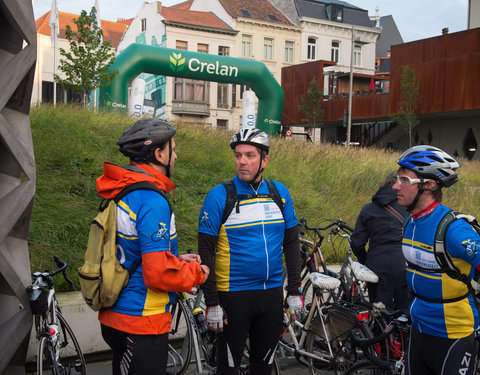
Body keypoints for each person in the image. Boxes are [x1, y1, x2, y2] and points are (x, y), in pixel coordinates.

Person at [96, 118, 209, 375]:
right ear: (159, 154)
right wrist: (198, 273)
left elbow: (132, 248)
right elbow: (157, 274)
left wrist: (174, 258)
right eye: (172, 149)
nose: (176, 156)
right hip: (142, 322)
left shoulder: (123, 190)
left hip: (116, 316)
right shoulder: (152, 201)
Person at [197, 128, 302, 375]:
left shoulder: (279, 193)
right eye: (238, 155)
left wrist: (295, 290)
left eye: (250, 155)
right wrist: (212, 302)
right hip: (233, 297)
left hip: (271, 296)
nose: (242, 161)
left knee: (263, 368)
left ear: (264, 160)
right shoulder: (220, 196)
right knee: (228, 369)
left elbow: (292, 243)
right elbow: (205, 253)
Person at [392, 145, 480, 375]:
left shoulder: (454, 229)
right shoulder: (409, 222)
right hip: (419, 331)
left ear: (429, 185)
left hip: (454, 335)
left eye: (403, 180)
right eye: (396, 179)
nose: (395, 186)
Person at [350, 173, 409, 311]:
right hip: (403, 262)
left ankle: (380, 331)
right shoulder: (409, 208)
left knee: (379, 312)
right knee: (405, 311)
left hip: (377, 264)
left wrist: (365, 260)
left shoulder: (368, 209)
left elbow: (357, 242)